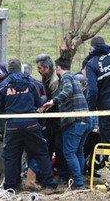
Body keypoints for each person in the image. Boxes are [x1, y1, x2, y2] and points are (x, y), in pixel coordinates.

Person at [0, 59, 57, 191]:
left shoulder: (3, 85)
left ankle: (10, 187)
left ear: (8, 70)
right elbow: (41, 100)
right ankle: (50, 184)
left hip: (12, 125)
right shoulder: (32, 82)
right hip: (31, 124)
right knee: (41, 153)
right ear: (21, 69)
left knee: (11, 156)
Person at [42, 57, 91, 190]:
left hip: (75, 121)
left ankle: (78, 182)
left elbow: (67, 91)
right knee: (78, 152)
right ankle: (78, 179)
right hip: (86, 120)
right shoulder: (75, 77)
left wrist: (53, 101)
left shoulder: (65, 78)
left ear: (58, 68)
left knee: (69, 153)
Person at [35, 54, 69, 183]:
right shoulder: (46, 77)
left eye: (39, 68)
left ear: (47, 68)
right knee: (48, 147)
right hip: (50, 120)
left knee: (59, 148)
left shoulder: (55, 81)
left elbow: (57, 103)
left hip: (58, 120)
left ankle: (63, 175)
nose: (38, 70)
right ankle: (46, 174)